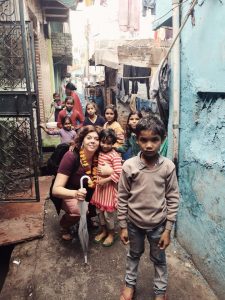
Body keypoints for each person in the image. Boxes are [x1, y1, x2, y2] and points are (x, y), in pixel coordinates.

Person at [118, 116, 179, 300]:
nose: (149, 145)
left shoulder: (167, 167)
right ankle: (129, 285)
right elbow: (122, 197)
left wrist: (168, 229)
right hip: (134, 224)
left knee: (159, 259)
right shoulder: (129, 166)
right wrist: (122, 225)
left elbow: (173, 197)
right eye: (143, 140)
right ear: (137, 140)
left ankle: (160, 291)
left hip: (158, 226)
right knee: (133, 255)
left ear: (163, 138)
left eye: (155, 140)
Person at [52, 125, 100, 240]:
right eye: (89, 138)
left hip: (88, 192)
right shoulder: (71, 156)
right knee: (79, 211)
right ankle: (64, 225)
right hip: (68, 192)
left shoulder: (99, 156)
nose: (93, 141)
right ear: (82, 139)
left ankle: (88, 217)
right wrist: (75, 194)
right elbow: (56, 189)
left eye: (97, 139)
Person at [91, 129, 122, 247]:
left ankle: (111, 234)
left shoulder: (115, 156)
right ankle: (103, 231)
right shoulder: (99, 153)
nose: (105, 145)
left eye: (108, 143)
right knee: (99, 213)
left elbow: (119, 174)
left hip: (109, 189)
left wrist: (106, 179)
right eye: (103, 142)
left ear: (113, 143)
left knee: (108, 216)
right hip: (99, 190)